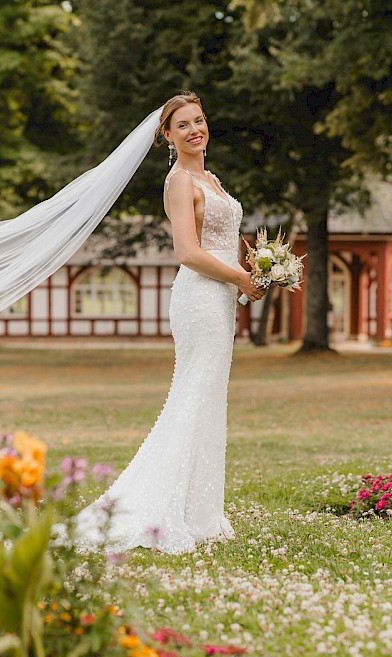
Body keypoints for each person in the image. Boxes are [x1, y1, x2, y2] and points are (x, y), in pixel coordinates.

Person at [74, 92, 263, 554]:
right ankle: (160, 508)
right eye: (183, 125)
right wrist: (239, 277)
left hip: (221, 298)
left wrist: (254, 273)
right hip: (199, 298)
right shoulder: (179, 181)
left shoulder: (210, 179)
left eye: (199, 120)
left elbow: (224, 240)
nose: (195, 130)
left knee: (209, 399)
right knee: (193, 395)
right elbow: (187, 252)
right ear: (167, 135)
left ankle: (200, 512)